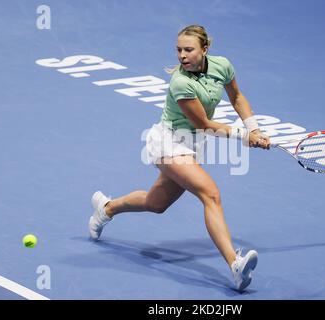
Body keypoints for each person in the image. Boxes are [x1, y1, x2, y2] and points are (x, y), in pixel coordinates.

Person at [89, 25, 270, 292]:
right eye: (178, 50)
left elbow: (237, 96)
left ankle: (106, 208)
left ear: (205, 49)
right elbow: (202, 123)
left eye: (188, 49)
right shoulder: (180, 82)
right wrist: (245, 136)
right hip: (168, 142)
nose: (182, 55)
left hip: (193, 145)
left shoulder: (222, 66)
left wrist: (253, 126)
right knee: (210, 194)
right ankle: (235, 265)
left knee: (156, 203)